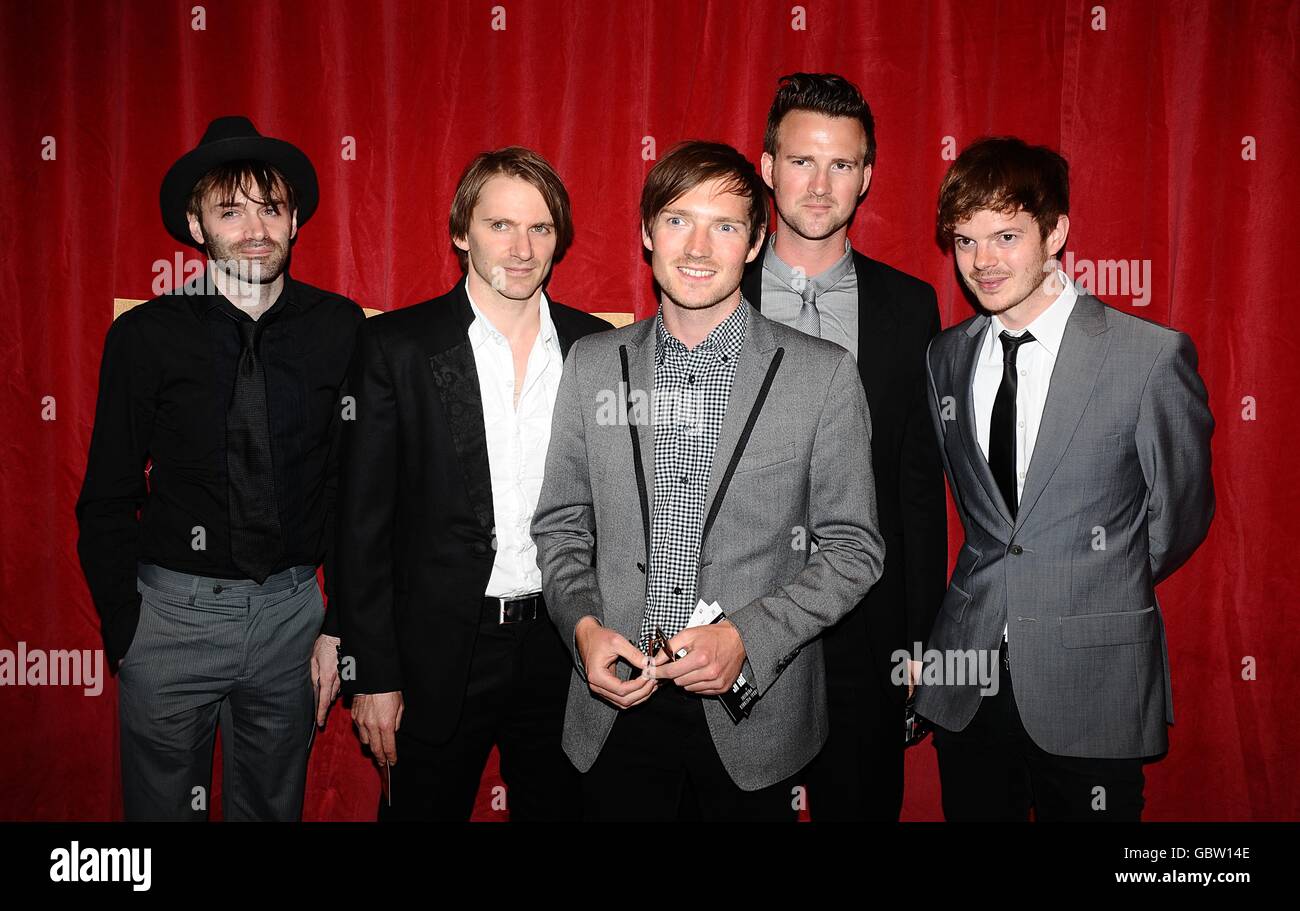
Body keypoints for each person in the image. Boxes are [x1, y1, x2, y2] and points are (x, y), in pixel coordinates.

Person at [532, 140, 885, 820]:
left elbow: (853, 549)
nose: (697, 247)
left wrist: (749, 635)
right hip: (615, 710)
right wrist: (581, 627)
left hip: (753, 719)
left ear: (755, 242)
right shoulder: (593, 365)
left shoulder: (824, 373)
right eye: (676, 220)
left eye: (724, 226)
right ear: (645, 232)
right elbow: (561, 526)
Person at [917, 136, 1215, 821]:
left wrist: (1089, 576)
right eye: (965, 240)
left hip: (1094, 678)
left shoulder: (1147, 356)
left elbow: (1180, 513)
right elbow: (977, 513)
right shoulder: (945, 357)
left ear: (1056, 232)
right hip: (968, 673)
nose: (982, 262)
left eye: (1006, 235)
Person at [76, 116, 361, 820]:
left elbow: (355, 491)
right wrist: (129, 632)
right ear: (197, 226)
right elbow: (107, 496)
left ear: (295, 220)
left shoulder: (340, 327)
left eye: (271, 208)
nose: (255, 228)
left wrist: (337, 626)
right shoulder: (144, 337)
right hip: (169, 618)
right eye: (230, 210)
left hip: (292, 613)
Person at [336, 147, 610, 820]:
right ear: (462, 232)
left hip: (563, 642)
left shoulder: (597, 347)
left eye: (540, 229)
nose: (521, 249)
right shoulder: (397, 346)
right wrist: (375, 671)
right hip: (436, 647)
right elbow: (360, 525)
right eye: (500, 226)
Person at [743, 72, 947, 820]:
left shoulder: (910, 304)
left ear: (867, 175)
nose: (820, 184)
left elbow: (917, 483)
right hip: (738, 622)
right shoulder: (708, 290)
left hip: (867, 627)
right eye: (801, 160)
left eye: (840, 164)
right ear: (766, 168)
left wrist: (921, 635)